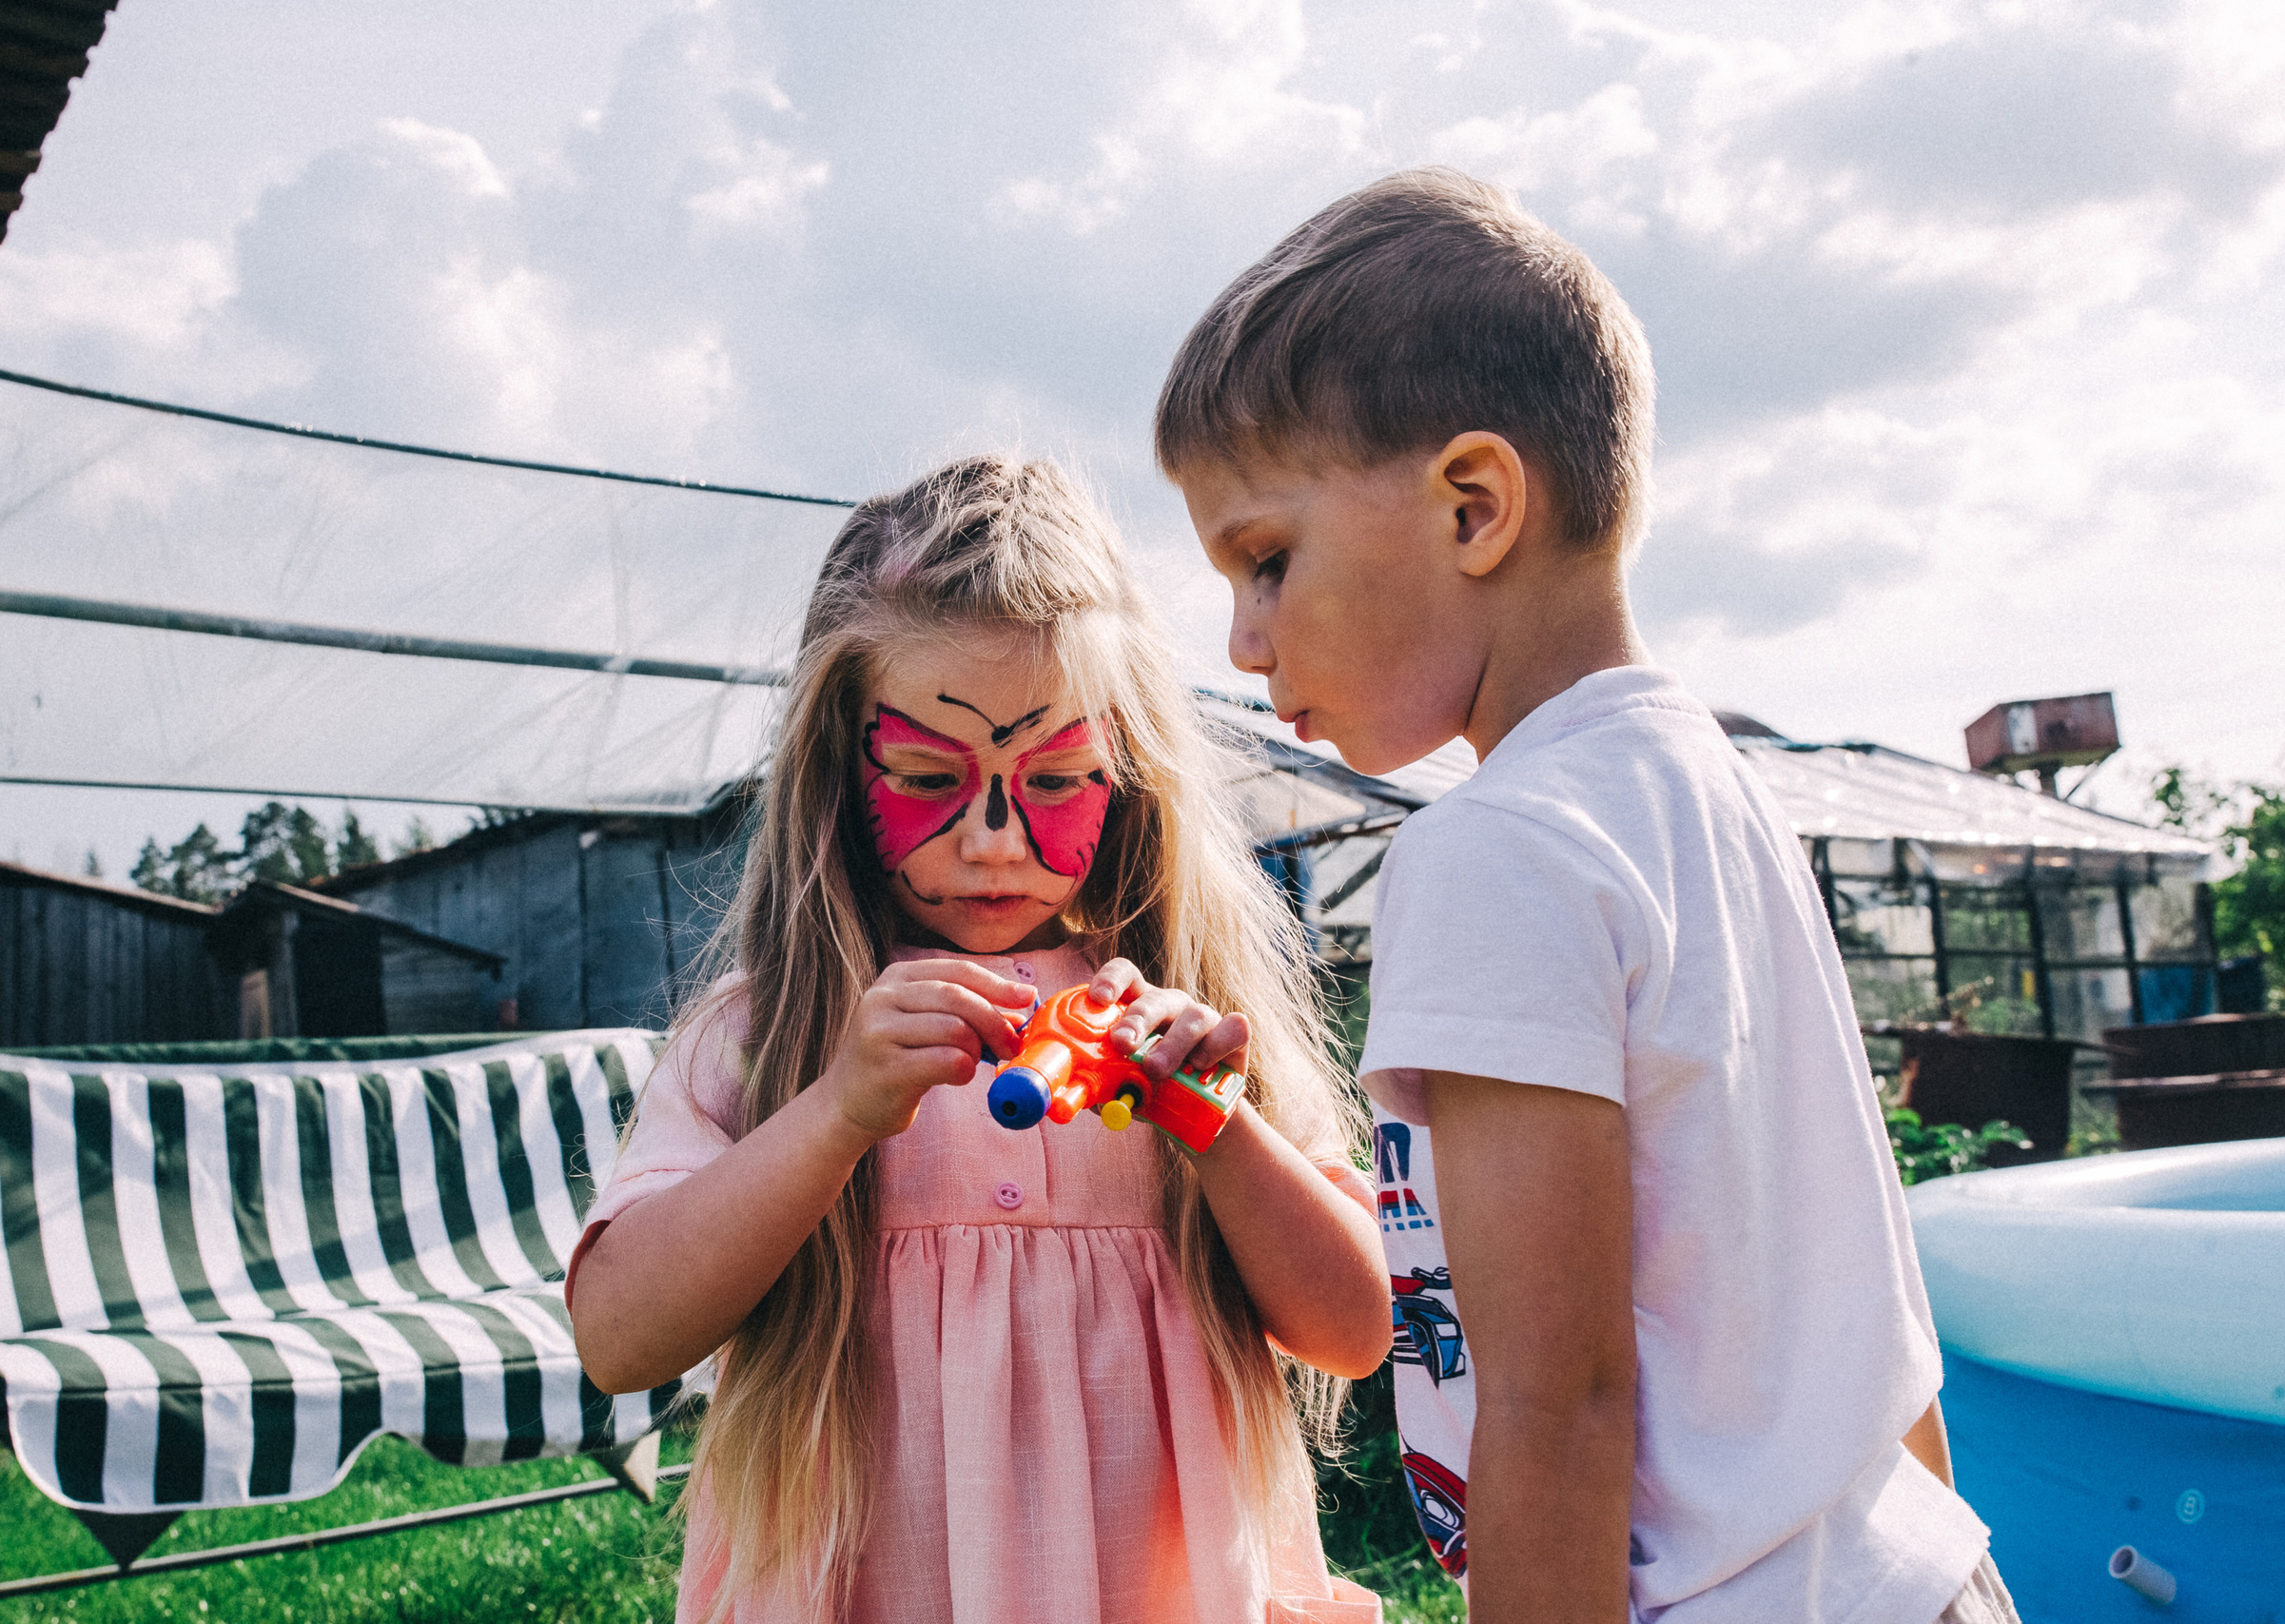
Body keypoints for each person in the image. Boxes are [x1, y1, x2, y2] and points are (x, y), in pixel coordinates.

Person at [1155, 168, 2021, 1624]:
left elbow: (1559, 1399)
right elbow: (1876, 1289)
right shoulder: (1719, 791)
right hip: (1916, 1565)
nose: (1243, 642)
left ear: (1474, 506)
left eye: (1267, 560)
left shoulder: (1499, 847)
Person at [569, 455, 1391, 1624]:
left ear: (1130, 770)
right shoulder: (774, 1030)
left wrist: (1214, 1125)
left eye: (1055, 778)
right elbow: (619, 1339)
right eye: (923, 774)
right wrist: (836, 1113)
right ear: (834, 770)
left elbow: (1355, 1331)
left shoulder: (1189, 1015)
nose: (996, 839)